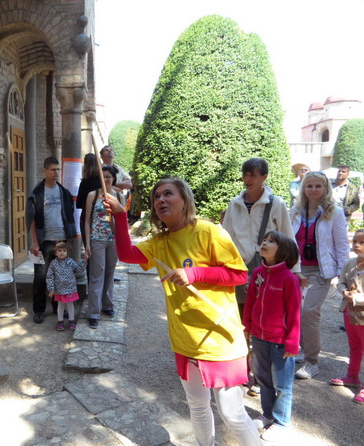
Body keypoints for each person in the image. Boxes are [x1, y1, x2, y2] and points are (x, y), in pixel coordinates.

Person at [105, 178, 261, 446]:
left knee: (232, 414)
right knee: (197, 406)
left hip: (219, 338)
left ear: (185, 200)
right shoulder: (159, 241)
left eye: (168, 194)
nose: (160, 200)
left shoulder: (209, 231)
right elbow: (127, 255)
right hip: (184, 338)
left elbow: (239, 275)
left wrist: (194, 273)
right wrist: (120, 216)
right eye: (156, 197)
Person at [242, 231, 301, 442]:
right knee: (263, 380)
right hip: (259, 337)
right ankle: (267, 415)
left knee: (282, 385)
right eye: (265, 240)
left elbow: (294, 313)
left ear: (283, 251)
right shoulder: (258, 273)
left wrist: (292, 343)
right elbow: (250, 301)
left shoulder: (289, 279)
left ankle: (281, 422)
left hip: (280, 343)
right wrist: (247, 326)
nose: (264, 243)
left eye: (271, 241)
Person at [223, 158, 300, 318]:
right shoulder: (234, 204)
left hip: (269, 267)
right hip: (240, 267)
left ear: (264, 177)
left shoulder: (276, 203)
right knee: (241, 314)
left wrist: (296, 270)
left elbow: (288, 236)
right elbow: (226, 237)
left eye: (253, 175)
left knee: (266, 312)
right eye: (245, 175)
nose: (247, 179)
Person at [291, 171, 350, 379]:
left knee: (309, 311)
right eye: (309, 186)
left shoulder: (335, 212)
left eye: (318, 186)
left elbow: (342, 245)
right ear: (304, 188)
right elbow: (288, 239)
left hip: (320, 271)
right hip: (297, 270)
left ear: (326, 188)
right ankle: (302, 349)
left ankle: (312, 361)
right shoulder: (296, 211)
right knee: (296, 312)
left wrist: (344, 274)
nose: (313, 190)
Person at [26, 157, 77, 324]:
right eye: (53, 170)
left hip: (60, 241)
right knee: (40, 277)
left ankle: (57, 306)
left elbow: (69, 216)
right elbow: (32, 220)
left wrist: (68, 240)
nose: (56, 172)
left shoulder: (64, 192)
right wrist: (34, 242)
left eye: (57, 169)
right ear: (45, 171)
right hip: (43, 242)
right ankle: (39, 310)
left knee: (60, 276)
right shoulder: (36, 193)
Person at [84, 166, 125, 329]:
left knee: (110, 273)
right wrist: (87, 244)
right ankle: (93, 312)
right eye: (104, 176)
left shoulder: (119, 197)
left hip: (113, 241)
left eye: (109, 176)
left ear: (113, 178)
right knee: (97, 275)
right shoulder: (92, 195)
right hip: (97, 240)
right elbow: (87, 221)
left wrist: (122, 242)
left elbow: (122, 221)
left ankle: (107, 305)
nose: (107, 179)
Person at [330, 228, 364, 404]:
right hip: (350, 312)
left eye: (362, 242)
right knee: (355, 345)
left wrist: (356, 298)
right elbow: (341, 281)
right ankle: (352, 375)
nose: (357, 245)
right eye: (355, 241)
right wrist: (344, 291)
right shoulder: (350, 263)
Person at [46, 242, 87, 331]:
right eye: (59, 250)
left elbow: (78, 269)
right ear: (55, 252)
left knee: (70, 304)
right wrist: (51, 289)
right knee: (60, 305)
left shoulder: (70, 262)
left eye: (64, 251)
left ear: (67, 252)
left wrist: (84, 261)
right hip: (59, 289)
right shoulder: (53, 263)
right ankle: (60, 321)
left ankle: (71, 321)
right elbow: (49, 276)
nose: (62, 252)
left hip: (70, 288)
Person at [76, 153, 102, 244]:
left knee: (88, 245)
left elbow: (79, 203)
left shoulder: (84, 183)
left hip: (87, 216)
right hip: (100, 217)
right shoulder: (102, 182)